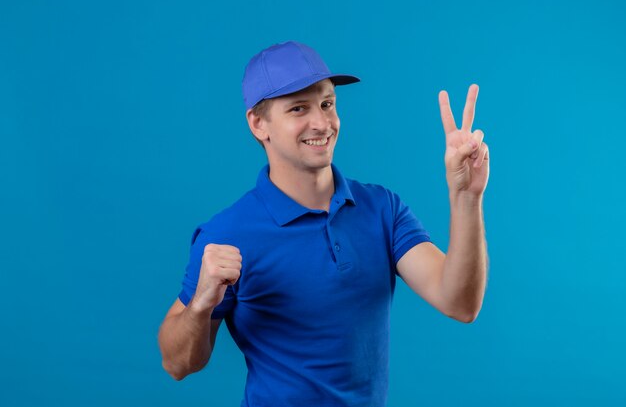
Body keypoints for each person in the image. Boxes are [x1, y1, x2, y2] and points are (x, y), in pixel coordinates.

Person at [158, 40, 489, 406]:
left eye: (327, 104)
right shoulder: (227, 234)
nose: (322, 123)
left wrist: (466, 197)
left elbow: (460, 303)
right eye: (299, 108)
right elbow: (177, 363)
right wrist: (201, 304)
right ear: (258, 124)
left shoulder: (382, 209)